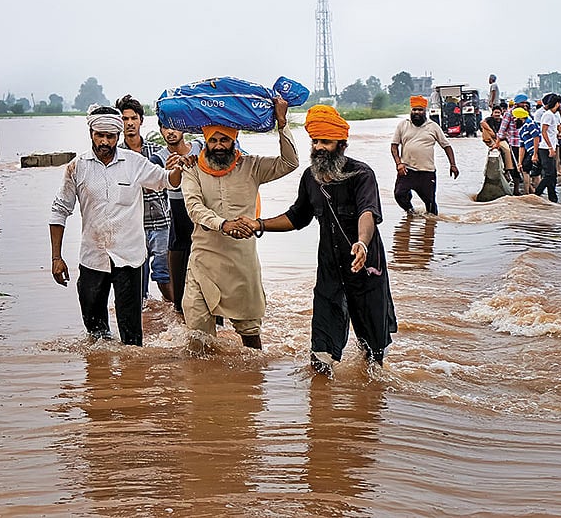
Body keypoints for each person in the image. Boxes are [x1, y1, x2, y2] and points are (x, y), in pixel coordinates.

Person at [242, 105, 397, 376]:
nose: (318, 147)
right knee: (321, 353)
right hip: (330, 269)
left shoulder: (362, 175)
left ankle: (369, 408)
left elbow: (367, 212)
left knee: (372, 352)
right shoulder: (310, 178)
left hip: (365, 266)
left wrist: (361, 243)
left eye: (325, 141)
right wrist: (259, 224)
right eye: (315, 141)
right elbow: (297, 216)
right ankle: (321, 400)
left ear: (341, 145)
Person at [49, 105, 185, 345]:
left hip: (129, 259)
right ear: (91, 133)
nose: (104, 141)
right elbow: (60, 210)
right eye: (99, 135)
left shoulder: (134, 163)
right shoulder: (77, 167)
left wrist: (178, 169)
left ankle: (131, 380)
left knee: (131, 338)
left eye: (110, 136)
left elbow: (167, 181)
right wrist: (56, 258)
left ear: (118, 136)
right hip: (93, 258)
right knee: (96, 336)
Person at [179, 96, 299, 350]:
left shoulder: (251, 166)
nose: (219, 145)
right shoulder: (192, 169)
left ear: (234, 140)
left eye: (224, 139)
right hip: (203, 263)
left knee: (251, 340)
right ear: (206, 142)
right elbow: (194, 207)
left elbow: (290, 163)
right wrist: (224, 224)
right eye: (214, 140)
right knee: (197, 339)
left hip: (241, 265)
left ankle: (250, 387)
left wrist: (281, 122)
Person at [115, 94, 173, 307]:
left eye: (133, 118)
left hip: (161, 222)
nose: (129, 123)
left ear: (141, 120)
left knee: (164, 275)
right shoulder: (117, 155)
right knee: (137, 282)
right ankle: (143, 323)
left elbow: (169, 184)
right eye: (124, 119)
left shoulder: (156, 152)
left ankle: (173, 316)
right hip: (133, 227)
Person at [150, 123, 203, 313]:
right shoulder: (159, 158)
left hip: (205, 228)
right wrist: (168, 173)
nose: (170, 132)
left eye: (174, 126)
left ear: (184, 126)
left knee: (214, 302)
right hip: (179, 231)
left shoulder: (200, 147)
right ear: (160, 131)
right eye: (165, 127)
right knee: (179, 306)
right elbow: (150, 186)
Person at [391, 95, 459, 214]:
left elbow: (446, 146)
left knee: (430, 203)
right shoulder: (403, 125)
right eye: (414, 109)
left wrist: (453, 165)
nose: (417, 112)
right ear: (411, 111)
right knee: (399, 195)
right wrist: (399, 164)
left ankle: (431, 227)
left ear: (425, 111)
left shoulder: (433, 127)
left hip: (427, 172)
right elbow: (394, 146)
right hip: (407, 170)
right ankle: (410, 212)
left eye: (420, 110)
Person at [533, 93, 561, 203]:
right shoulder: (548, 115)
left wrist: (556, 135)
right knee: (549, 174)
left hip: (549, 147)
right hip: (545, 148)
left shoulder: (552, 115)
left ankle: (553, 198)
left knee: (552, 175)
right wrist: (550, 147)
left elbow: (549, 131)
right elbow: (543, 131)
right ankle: (537, 194)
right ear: (557, 104)